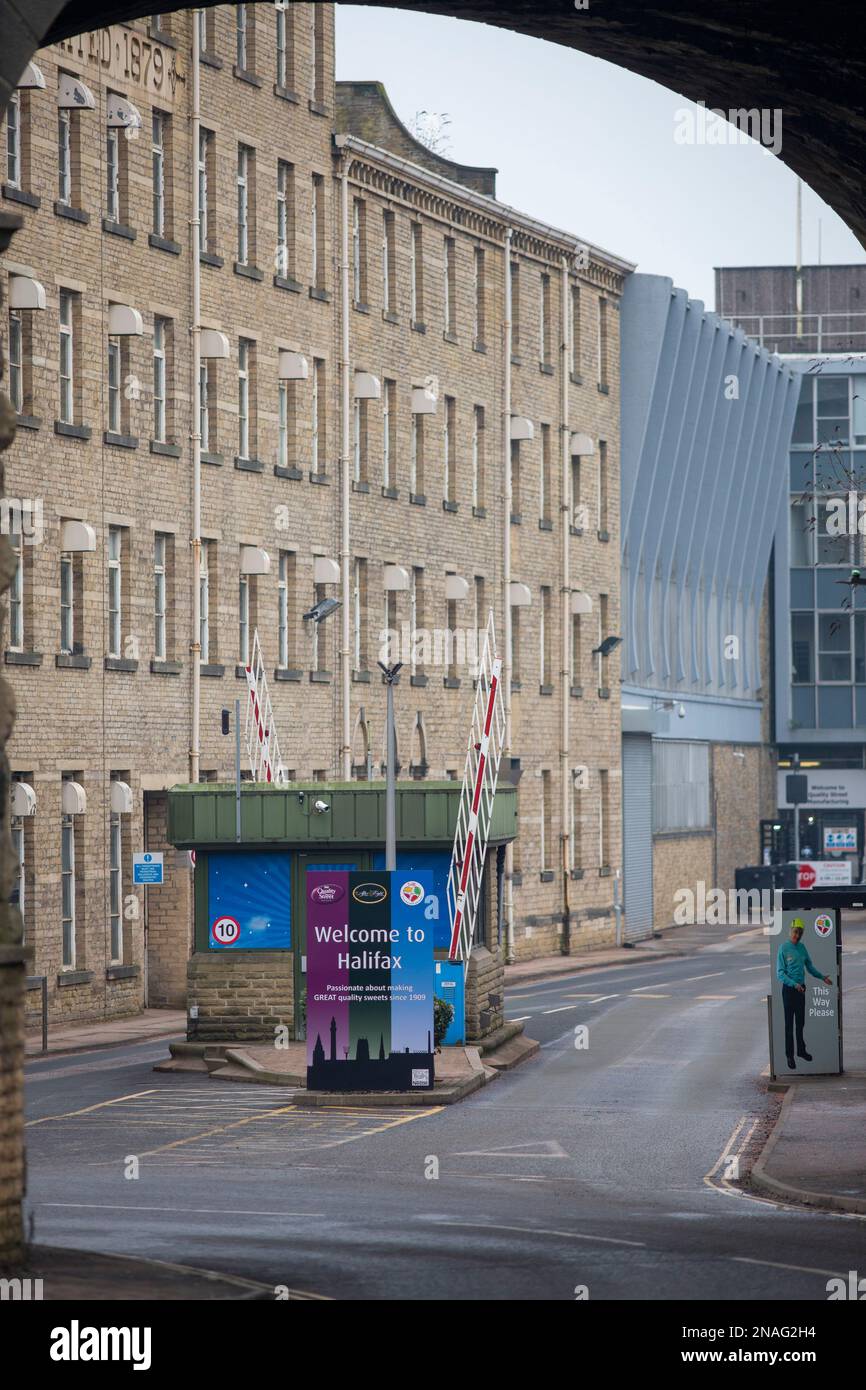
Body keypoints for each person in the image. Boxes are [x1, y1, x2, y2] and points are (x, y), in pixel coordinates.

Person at [776, 918, 832, 1069]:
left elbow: (810, 966)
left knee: (800, 1023)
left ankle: (801, 1051)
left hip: (801, 990)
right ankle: (789, 1056)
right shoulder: (783, 948)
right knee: (789, 1024)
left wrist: (822, 977)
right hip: (789, 990)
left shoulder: (802, 948)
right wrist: (794, 984)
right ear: (790, 931)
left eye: (799, 933)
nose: (797, 936)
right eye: (795, 932)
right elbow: (780, 974)